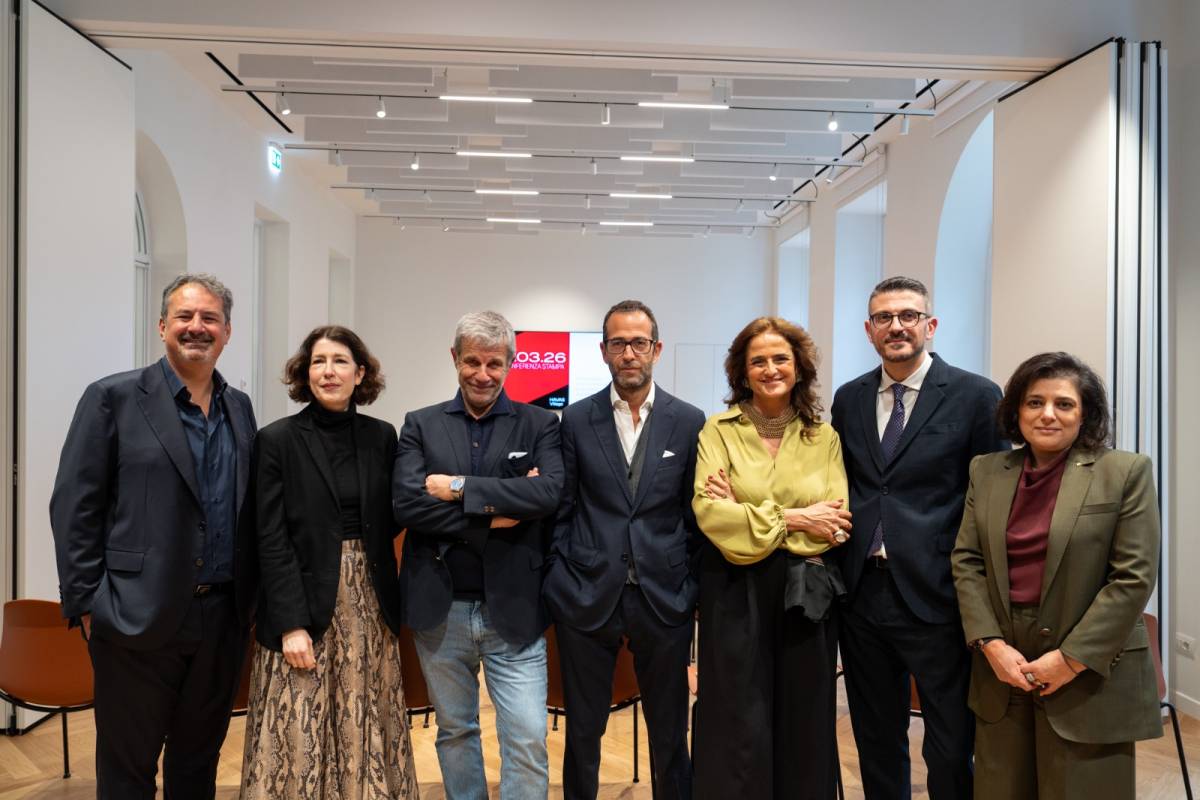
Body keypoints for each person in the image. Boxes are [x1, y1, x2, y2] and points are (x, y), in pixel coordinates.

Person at [49, 274, 257, 800]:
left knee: (197, 767)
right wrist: (88, 603)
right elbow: (75, 506)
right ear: (163, 326)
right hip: (133, 617)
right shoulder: (112, 398)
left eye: (209, 318)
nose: (196, 327)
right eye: (184, 316)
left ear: (227, 332)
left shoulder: (240, 408)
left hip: (221, 621)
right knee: (127, 772)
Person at [951, 352, 1161, 799]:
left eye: (1064, 404)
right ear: (1016, 412)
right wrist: (990, 644)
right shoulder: (986, 471)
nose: (1047, 414)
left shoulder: (1125, 471)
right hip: (1003, 665)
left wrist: (1071, 659)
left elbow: (1132, 577)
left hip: (1088, 667)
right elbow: (967, 560)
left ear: (1085, 414)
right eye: (1034, 402)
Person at [830, 275, 1008, 799]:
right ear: (869, 330)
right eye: (883, 317)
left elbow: (992, 498)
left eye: (908, 315)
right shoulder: (850, 398)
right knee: (876, 737)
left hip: (940, 596)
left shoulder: (977, 396)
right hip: (863, 595)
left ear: (930, 325)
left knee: (951, 745)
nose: (896, 326)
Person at [240, 326, 418, 799]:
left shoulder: (381, 436)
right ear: (305, 373)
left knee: (365, 718)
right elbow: (269, 536)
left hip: (369, 603)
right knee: (298, 724)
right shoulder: (276, 440)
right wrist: (290, 624)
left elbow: (393, 516)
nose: (328, 371)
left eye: (340, 361)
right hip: (301, 601)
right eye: (318, 361)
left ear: (360, 374)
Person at [392, 310, 563, 800]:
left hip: (516, 607)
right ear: (455, 358)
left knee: (526, 736)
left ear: (510, 363)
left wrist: (456, 488)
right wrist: (496, 514)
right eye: (472, 361)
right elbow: (407, 505)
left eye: (494, 363)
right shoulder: (420, 424)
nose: (482, 374)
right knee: (455, 731)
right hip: (440, 609)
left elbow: (547, 494)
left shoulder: (539, 424)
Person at [544, 299, 706, 800]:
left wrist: (689, 586)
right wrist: (560, 577)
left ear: (656, 348)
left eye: (639, 343)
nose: (629, 353)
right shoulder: (576, 419)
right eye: (618, 344)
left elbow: (693, 515)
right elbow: (562, 508)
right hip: (588, 594)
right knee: (583, 732)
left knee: (669, 732)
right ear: (603, 351)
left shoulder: (689, 420)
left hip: (664, 597)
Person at [691, 316, 851, 800]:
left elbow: (835, 525)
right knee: (735, 716)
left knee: (805, 717)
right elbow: (710, 514)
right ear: (742, 372)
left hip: (806, 592)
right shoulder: (717, 431)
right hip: (733, 588)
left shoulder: (824, 437)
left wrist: (746, 512)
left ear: (798, 367)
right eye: (757, 361)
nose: (770, 369)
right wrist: (799, 518)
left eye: (780, 358)